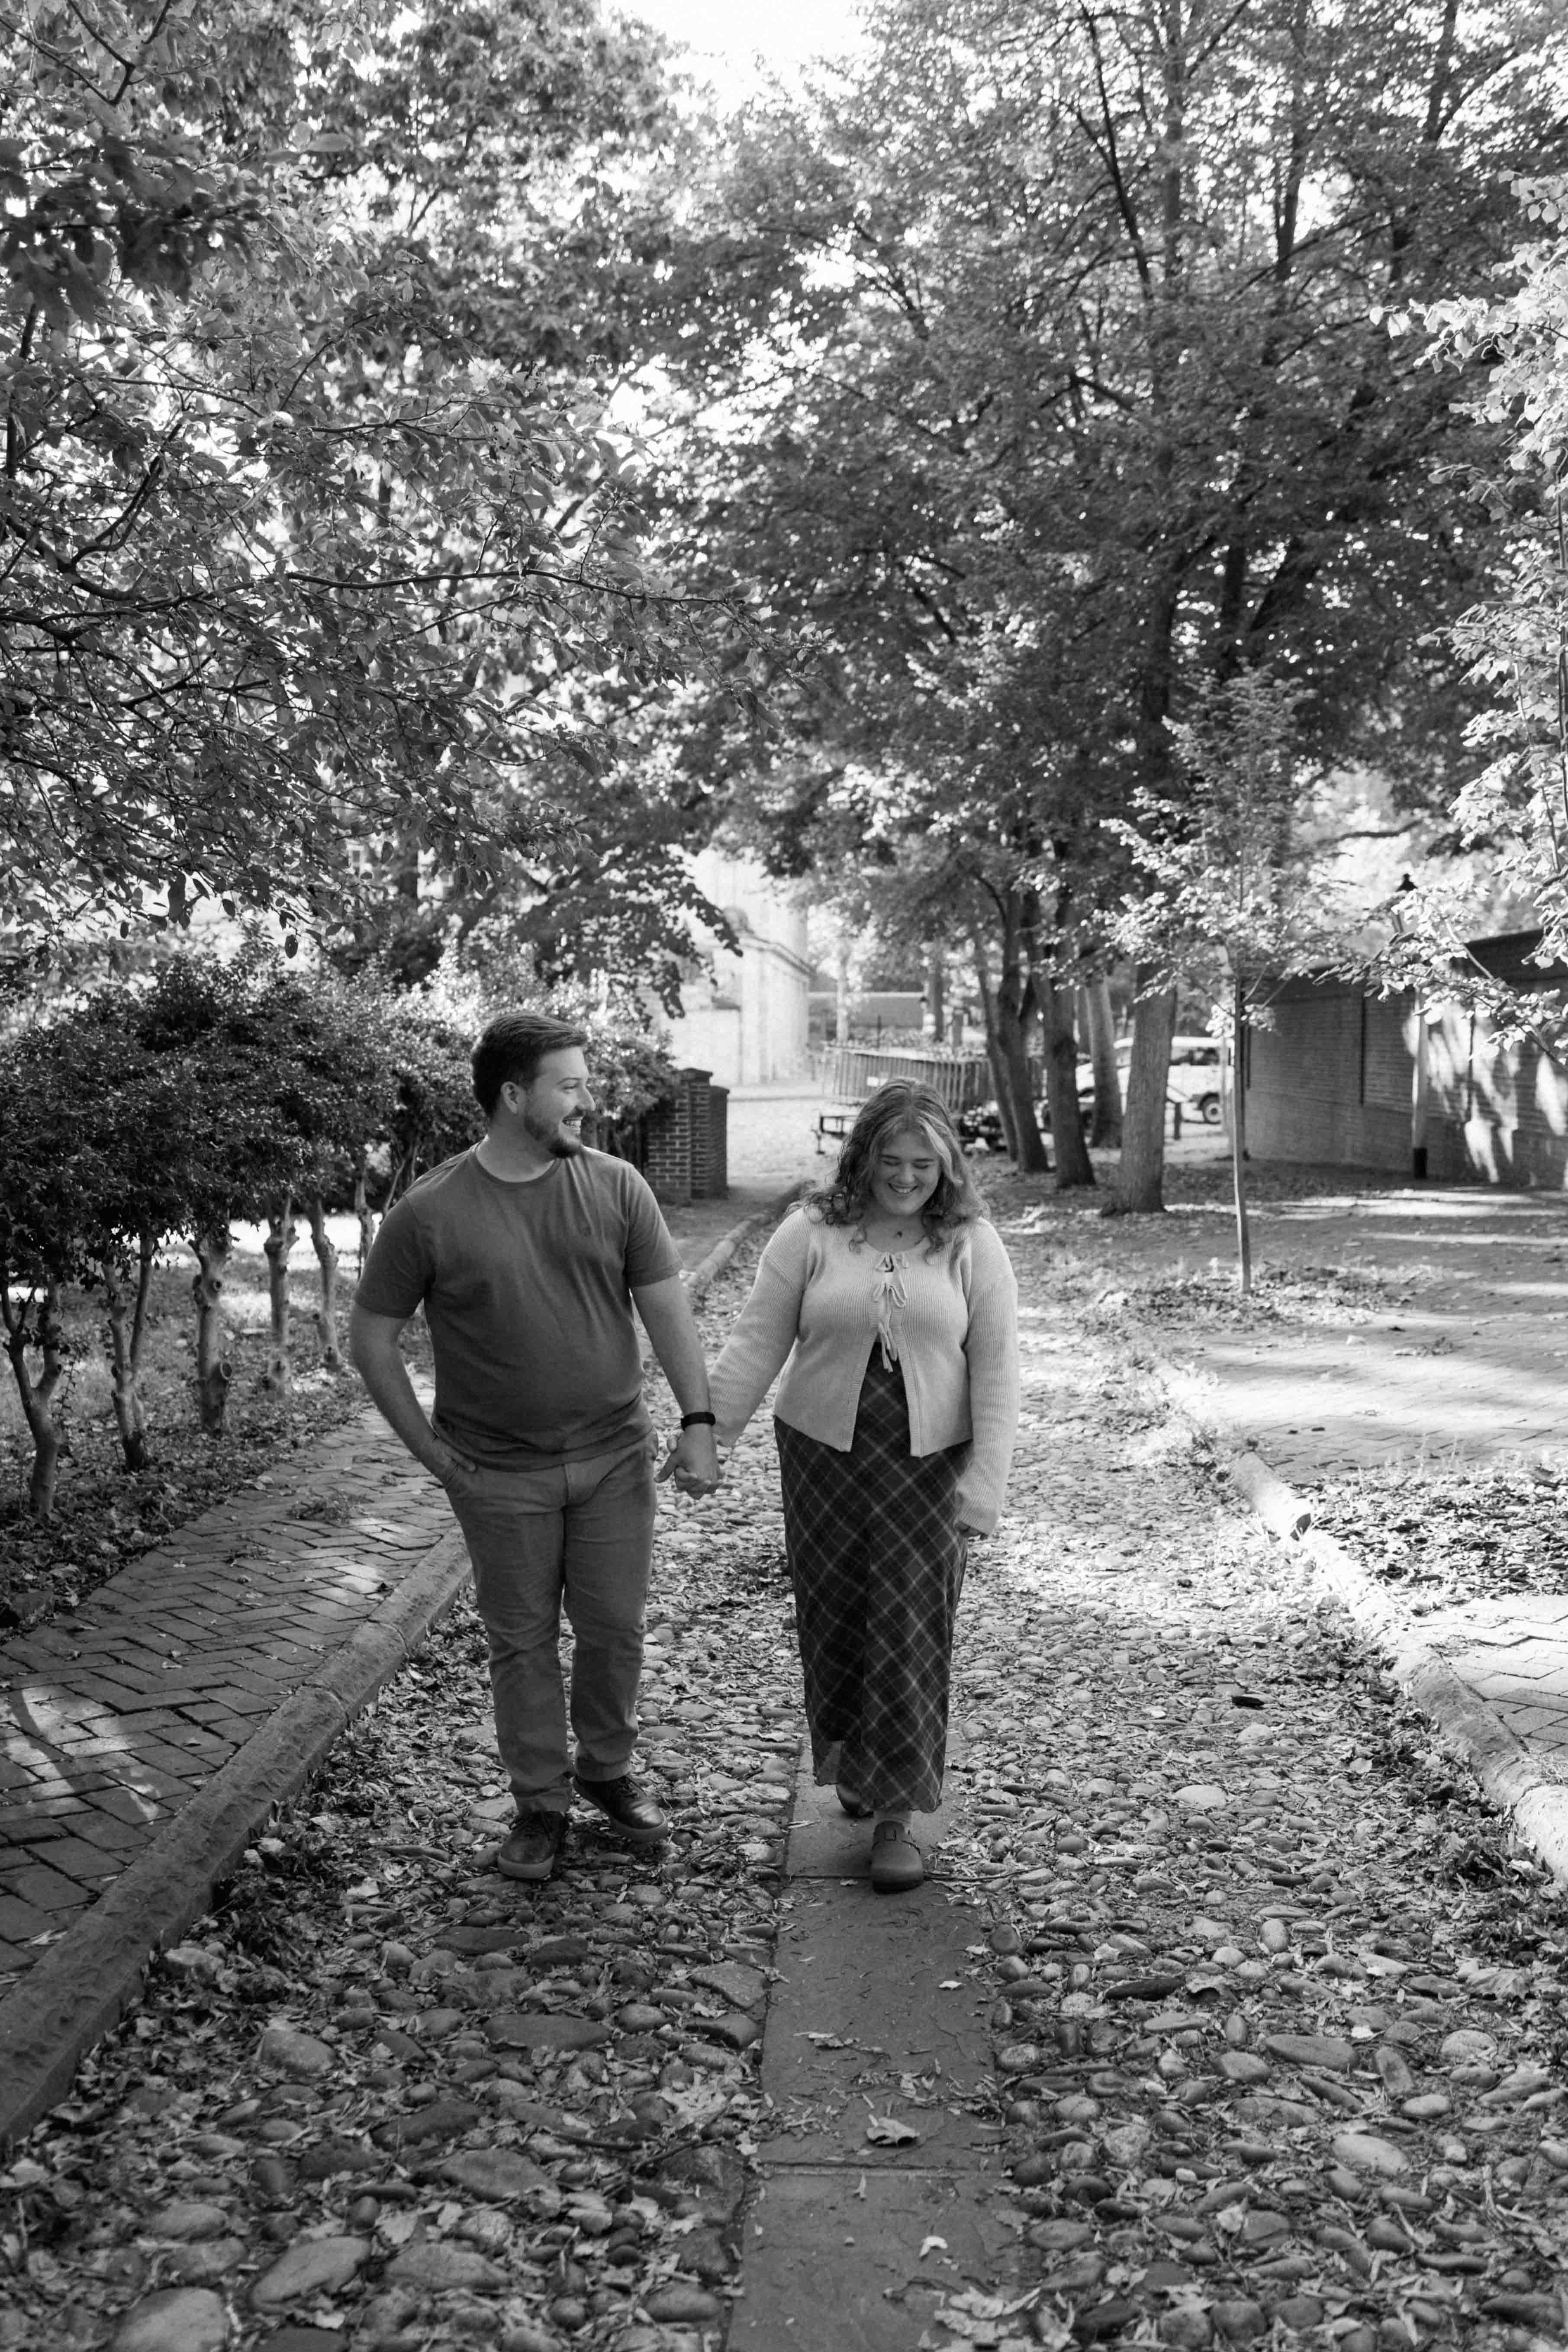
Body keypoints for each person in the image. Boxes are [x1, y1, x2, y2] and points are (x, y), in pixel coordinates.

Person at [350, 1011, 720, 1884]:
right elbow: (371, 1340)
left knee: (613, 1631)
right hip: (498, 1471)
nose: (587, 1100)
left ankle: (605, 1771)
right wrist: (437, 1460)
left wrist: (700, 1424)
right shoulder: (431, 1213)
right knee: (520, 1644)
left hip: (615, 1456)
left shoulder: (618, 1187)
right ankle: (540, 1805)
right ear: (515, 1097)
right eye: (571, 1085)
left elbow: (668, 1310)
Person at [708, 1081, 1018, 1893]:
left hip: (929, 1468)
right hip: (823, 1459)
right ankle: (856, 1761)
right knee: (838, 1618)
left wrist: (986, 1482)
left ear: (947, 1165)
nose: (907, 1176)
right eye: (892, 1159)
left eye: (924, 1162)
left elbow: (996, 1370)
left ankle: (897, 1817)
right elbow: (756, 1342)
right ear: (864, 1155)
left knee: (912, 1633)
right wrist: (709, 1434)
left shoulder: (971, 1242)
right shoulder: (812, 1233)